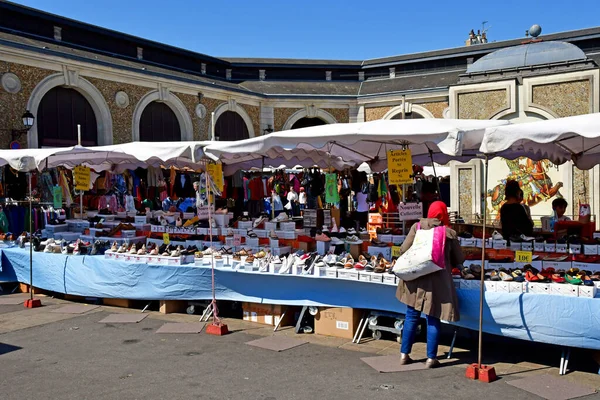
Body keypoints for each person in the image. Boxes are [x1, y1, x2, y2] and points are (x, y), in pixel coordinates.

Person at [396, 201, 464, 369]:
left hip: (415, 280)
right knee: (432, 318)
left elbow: (403, 249)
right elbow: (459, 260)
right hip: (437, 283)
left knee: (411, 316)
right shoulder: (449, 233)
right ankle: (430, 358)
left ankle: (404, 354)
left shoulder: (416, 227)